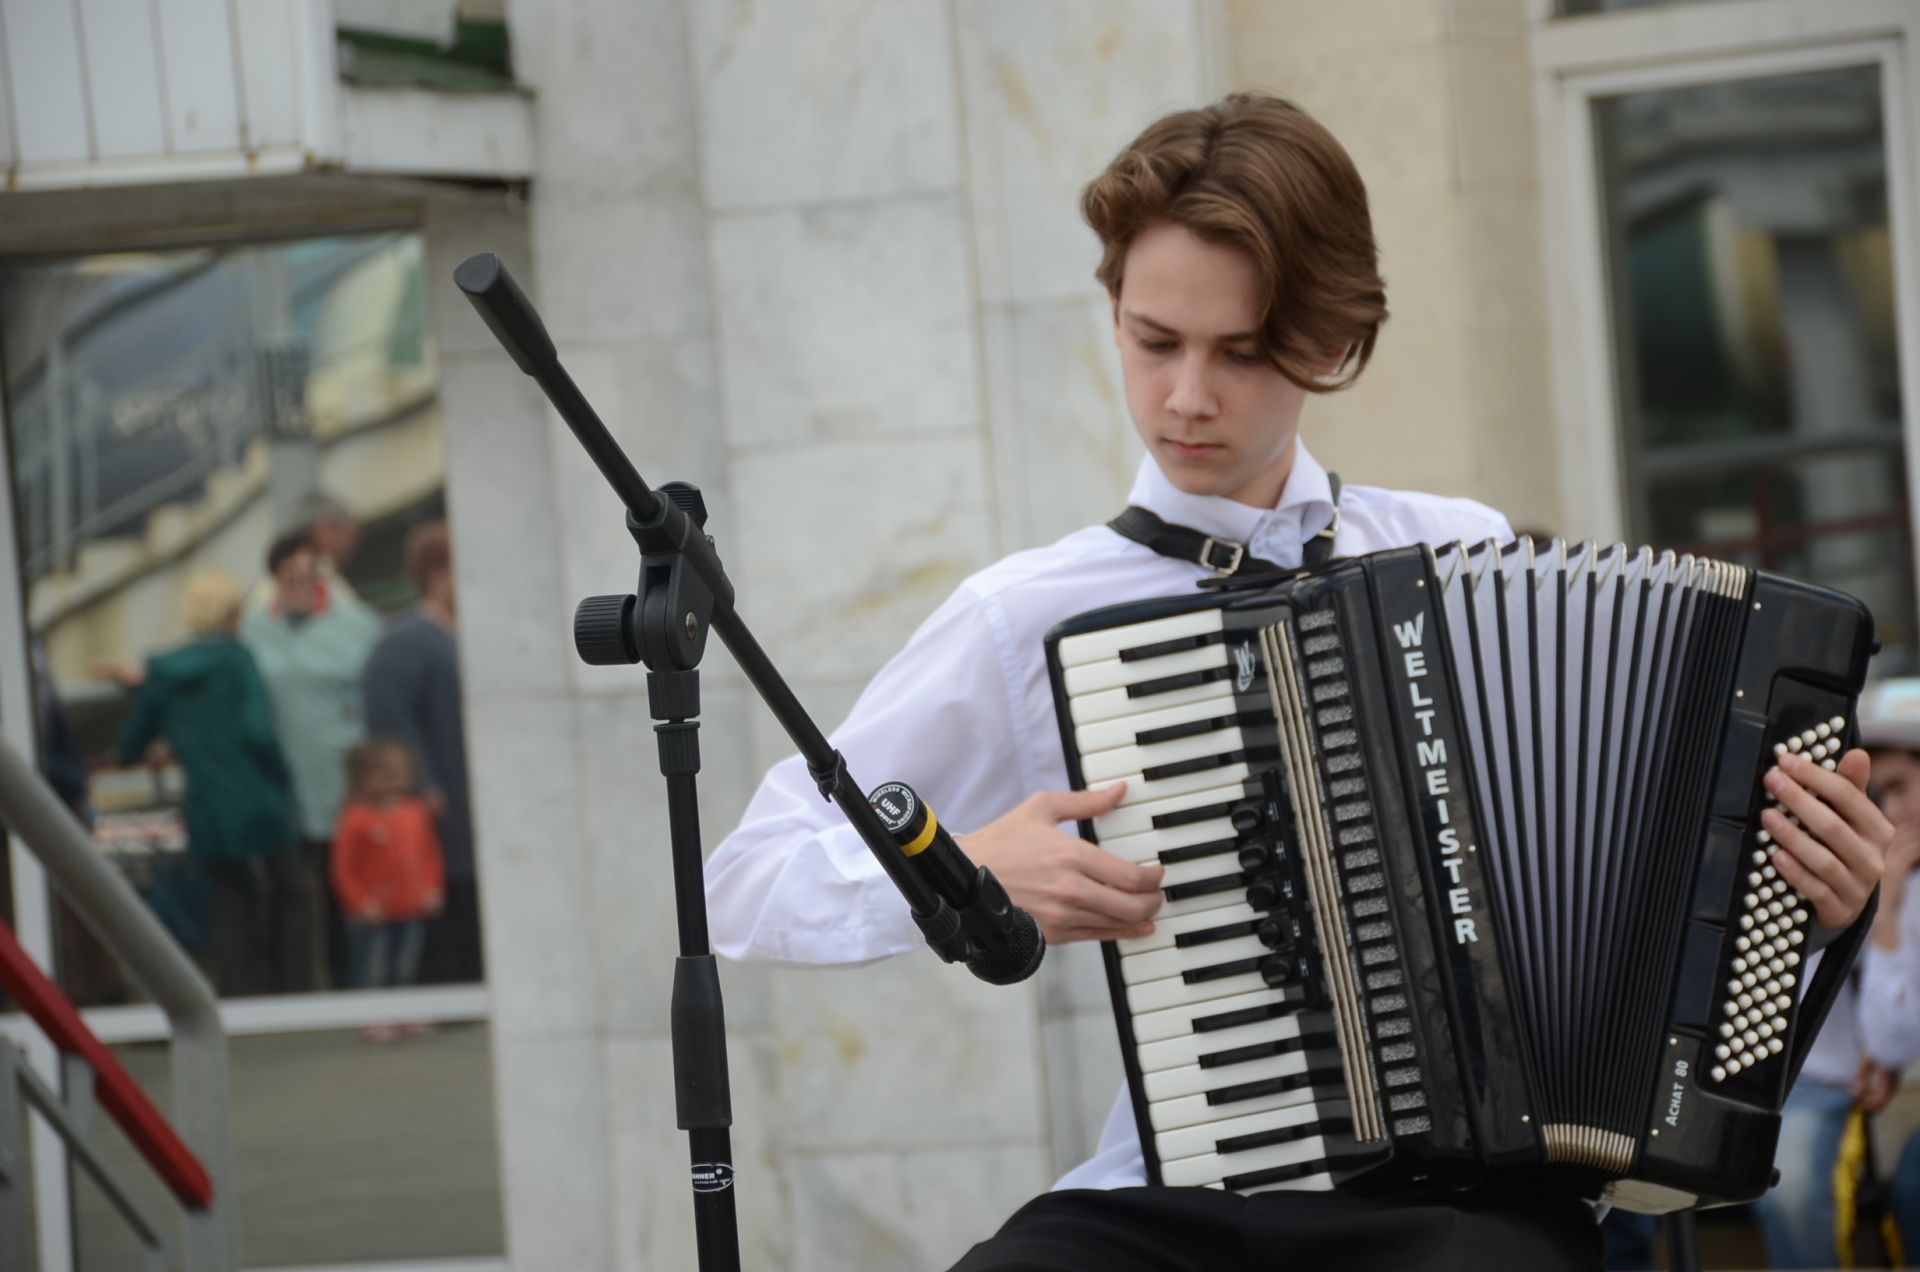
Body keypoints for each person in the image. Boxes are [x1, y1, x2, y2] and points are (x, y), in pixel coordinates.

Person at [703, 93, 1892, 1272]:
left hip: (1466, 1202)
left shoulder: (1456, 550)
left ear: (1332, 341)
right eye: (1153, 341)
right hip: (1172, 1196)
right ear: (1114, 313)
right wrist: (956, 871)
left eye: (1242, 350)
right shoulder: (1026, 614)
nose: (1186, 398)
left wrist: (1811, 910)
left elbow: (1642, 894)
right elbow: (749, 877)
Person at [1756, 676, 1920, 1267]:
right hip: (1773, 1080)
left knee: (1791, 1187)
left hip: (1819, 1084)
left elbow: (1889, 1043)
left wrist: (1889, 911)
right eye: (1877, 794)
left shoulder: (1909, 890)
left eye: (1900, 789)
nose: (1888, 812)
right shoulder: (1797, 854)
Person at [111, 570, 308, 995]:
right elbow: (258, 731)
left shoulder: (162, 672)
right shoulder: (238, 660)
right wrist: (282, 777)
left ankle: (239, 991)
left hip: (207, 803)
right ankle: (296, 988)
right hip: (257, 794)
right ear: (233, 612)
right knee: (293, 890)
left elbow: (129, 747)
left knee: (229, 898)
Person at [241, 528, 382, 988]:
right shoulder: (255, 631)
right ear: (275, 579)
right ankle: (300, 991)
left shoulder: (358, 625)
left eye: (309, 572)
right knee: (296, 895)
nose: (301, 582)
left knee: (350, 890)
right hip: (285, 787)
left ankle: (356, 987)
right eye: (289, 574)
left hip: (347, 784)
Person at [361, 520, 482, 983]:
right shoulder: (404, 641)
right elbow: (390, 719)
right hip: (437, 795)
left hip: (466, 790)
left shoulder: (458, 633)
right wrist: (422, 783)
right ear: (437, 572)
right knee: (443, 891)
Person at [330, 739, 443, 1038]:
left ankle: (405, 1012)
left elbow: (429, 855)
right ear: (360, 778)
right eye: (382, 772)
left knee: (406, 967)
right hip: (375, 914)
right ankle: (374, 1016)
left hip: (412, 908)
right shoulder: (355, 819)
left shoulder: (415, 813)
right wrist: (360, 903)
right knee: (374, 969)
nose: (392, 778)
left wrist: (431, 889)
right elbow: (344, 869)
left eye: (398, 770)